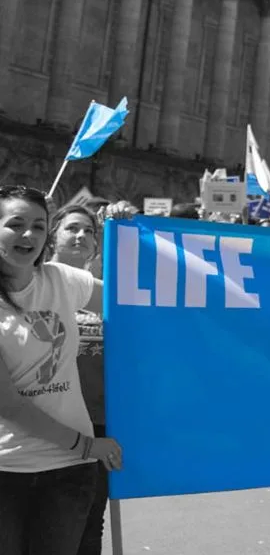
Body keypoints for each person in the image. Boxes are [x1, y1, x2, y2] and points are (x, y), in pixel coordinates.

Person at [0, 186, 124, 555]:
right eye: (15, 224)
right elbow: (10, 405)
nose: (29, 235)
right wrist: (88, 444)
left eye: (39, 226)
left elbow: (132, 299)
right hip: (8, 471)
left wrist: (129, 239)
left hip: (70, 474)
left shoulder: (60, 279)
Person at [44, 205, 109, 555]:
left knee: (88, 518)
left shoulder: (105, 291)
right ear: (52, 234)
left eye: (89, 231)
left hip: (97, 422)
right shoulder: (32, 281)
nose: (81, 236)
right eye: (71, 228)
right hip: (42, 417)